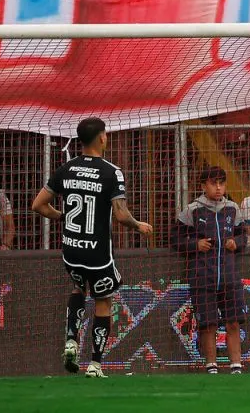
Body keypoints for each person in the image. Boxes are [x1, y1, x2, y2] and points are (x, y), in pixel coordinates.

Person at [30, 117, 153, 378]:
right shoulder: (111, 172)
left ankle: (71, 340)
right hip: (98, 254)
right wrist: (138, 225)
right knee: (103, 302)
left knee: (78, 288)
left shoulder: (67, 168)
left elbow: (38, 205)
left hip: (71, 250)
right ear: (101, 137)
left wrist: (62, 217)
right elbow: (120, 214)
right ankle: (95, 365)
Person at [173, 167, 247, 375]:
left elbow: (244, 236)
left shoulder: (233, 209)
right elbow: (175, 239)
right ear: (203, 186)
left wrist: (236, 242)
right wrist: (195, 245)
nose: (218, 188)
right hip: (202, 276)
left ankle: (236, 365)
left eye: (222, 183)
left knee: (233, 322)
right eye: (214, 183)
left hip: (229, 276)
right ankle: (211, 365)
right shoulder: (192, 210)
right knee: (208, 324)